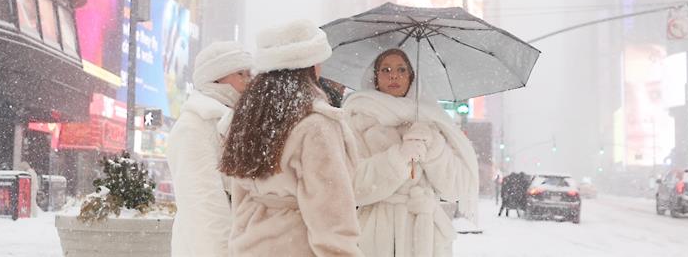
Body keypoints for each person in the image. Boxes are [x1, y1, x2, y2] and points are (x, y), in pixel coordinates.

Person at [220, 20, 362, 257]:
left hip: (250, 245)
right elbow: (330, 212)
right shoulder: (316, 124)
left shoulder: (250, 118)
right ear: (309, 65)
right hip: (296, 245)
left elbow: (240, 195)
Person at [342, 48, 479, 257]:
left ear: (411, 77)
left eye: (401, 69)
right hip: (377, 236)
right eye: (386, 70)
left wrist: (433, 148)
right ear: (375, 77)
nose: (394, 76)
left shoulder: (431, 121)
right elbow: (352, 185)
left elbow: (455, 188)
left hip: (426, 237)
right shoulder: (357, 119)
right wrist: (398, 158)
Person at [167, 41, 252, 257]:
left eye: (249, 73)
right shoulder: (195, 125)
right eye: (240, 73)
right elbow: (203, 204)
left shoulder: (235, 121)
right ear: (216, 77)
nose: (249, 80)